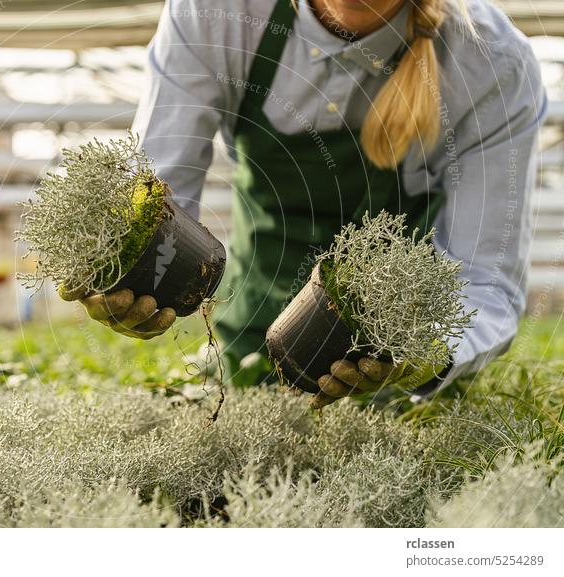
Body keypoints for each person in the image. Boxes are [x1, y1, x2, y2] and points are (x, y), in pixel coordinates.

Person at [64, 0, 547, 404]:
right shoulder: (218, 12)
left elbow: (487, 282)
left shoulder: (491, 63)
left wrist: (422, 351)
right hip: (245, 346)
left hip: (385, 385)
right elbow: (157, 191)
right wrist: (131, 271)